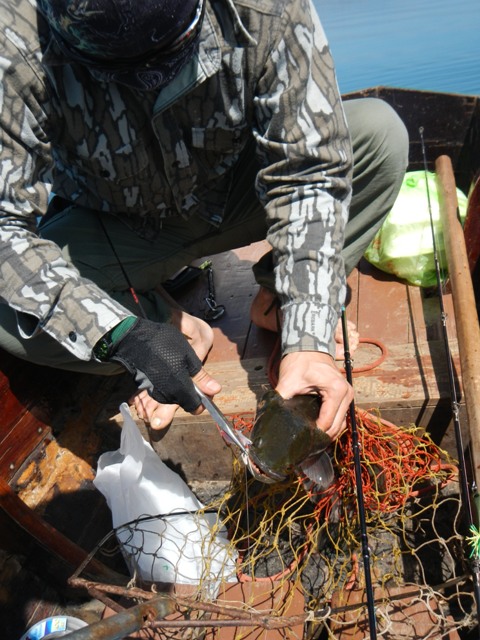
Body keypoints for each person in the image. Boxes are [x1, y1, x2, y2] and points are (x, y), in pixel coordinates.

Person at [0, 0, 408, 442]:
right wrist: (120, 335)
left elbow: (310, 174)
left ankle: (279, 301)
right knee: (9, 316)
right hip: (117, 226)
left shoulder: (267, 7)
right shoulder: (12, 33)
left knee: (378, 135)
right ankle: (168, 326)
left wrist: (308, 335)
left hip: (241, 191)